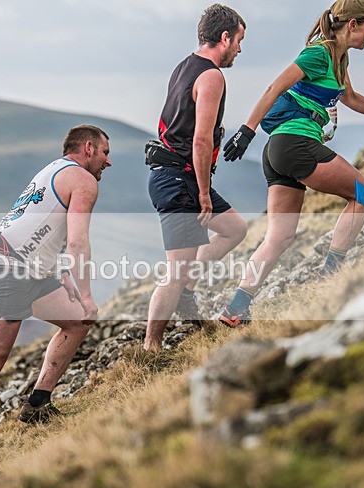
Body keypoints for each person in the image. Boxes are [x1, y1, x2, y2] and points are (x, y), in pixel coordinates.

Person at [219, 0, 364, 327]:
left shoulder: (340, 58)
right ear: (352, 24)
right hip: (295, 144)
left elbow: (349, 98)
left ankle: (235, 308)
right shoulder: (318, 53)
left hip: (279, 152)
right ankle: (330, 274)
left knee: (279, 237)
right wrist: (246, 131)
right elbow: (275, 88)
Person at [0, 124, 111, 473]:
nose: (108, 162)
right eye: (105, 152)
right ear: (88, 148)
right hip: (8, 272)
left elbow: (36, 228)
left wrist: (60, 275)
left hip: (25, 270)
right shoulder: (84, 182)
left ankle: (38, 404)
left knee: (78, 321)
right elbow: (76, 242)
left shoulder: (52, 170)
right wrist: (86, 293)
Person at [143, 4, 249, 351]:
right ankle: (150, 347)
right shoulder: (212, 75)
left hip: (174, 175)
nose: (239, 49)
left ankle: (187, 288)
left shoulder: (183, 67)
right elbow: (202, 139)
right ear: (224, 37)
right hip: (179, 179)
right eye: (238, 40)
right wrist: (204, 193)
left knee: (234, 228)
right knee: (175, 269)